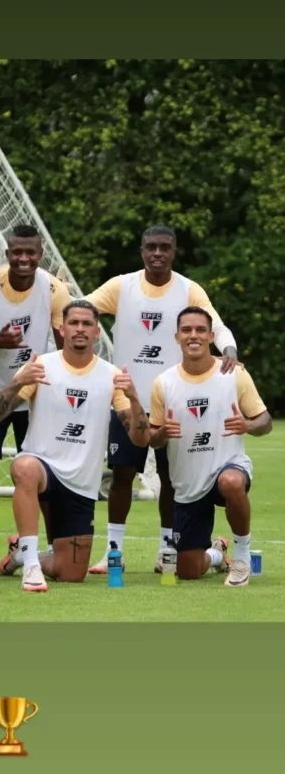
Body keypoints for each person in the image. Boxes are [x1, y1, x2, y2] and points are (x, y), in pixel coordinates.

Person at [83, 225, 239, 575]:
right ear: (141, 250)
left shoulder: (188, 289)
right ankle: (113, 553)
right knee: (121, 474)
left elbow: (216, 325)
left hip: (176, 404)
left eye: (164, 248)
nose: (157, 253)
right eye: (151, 247)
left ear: (174, 251)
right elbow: (82, 312)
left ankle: (167, 549)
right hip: (128, 402)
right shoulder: (121, 286)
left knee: (172, 480)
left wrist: (228, 348)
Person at [0, 300, 149, 591]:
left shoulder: (112, 376)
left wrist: (135, 399)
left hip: (81, 484)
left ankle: (23, 556)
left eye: (87, 324)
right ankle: (32, 567)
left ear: (97, 332)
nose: (80, 329)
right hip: (44, 471)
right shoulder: (41, 367)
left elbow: (139, 439)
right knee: (23, 466)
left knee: (71, 573)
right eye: (74, 323)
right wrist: (15, 383)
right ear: (62, 329)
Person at [0, 223, 69, 577]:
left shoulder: (54, 288)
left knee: (42, 474)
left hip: (33, 397)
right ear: (7, 254)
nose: (23, 258)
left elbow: (64, 344)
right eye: (16, 252)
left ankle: (49, 552)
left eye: (30, 252)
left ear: (40, 255)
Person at [149, 308, 271, 586]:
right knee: (188, 570)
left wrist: (248, 426)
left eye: (201, 330)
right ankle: (218, 553)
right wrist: (162, 433)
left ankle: (241, 556)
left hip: (227, 467)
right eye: (187, 330)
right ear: (177, 336)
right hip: (188, 485)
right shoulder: (163, 383)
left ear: (211, 336)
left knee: (231, 482)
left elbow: (264, 420)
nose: (194, 335)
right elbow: (153, 438)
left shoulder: (233, 374)